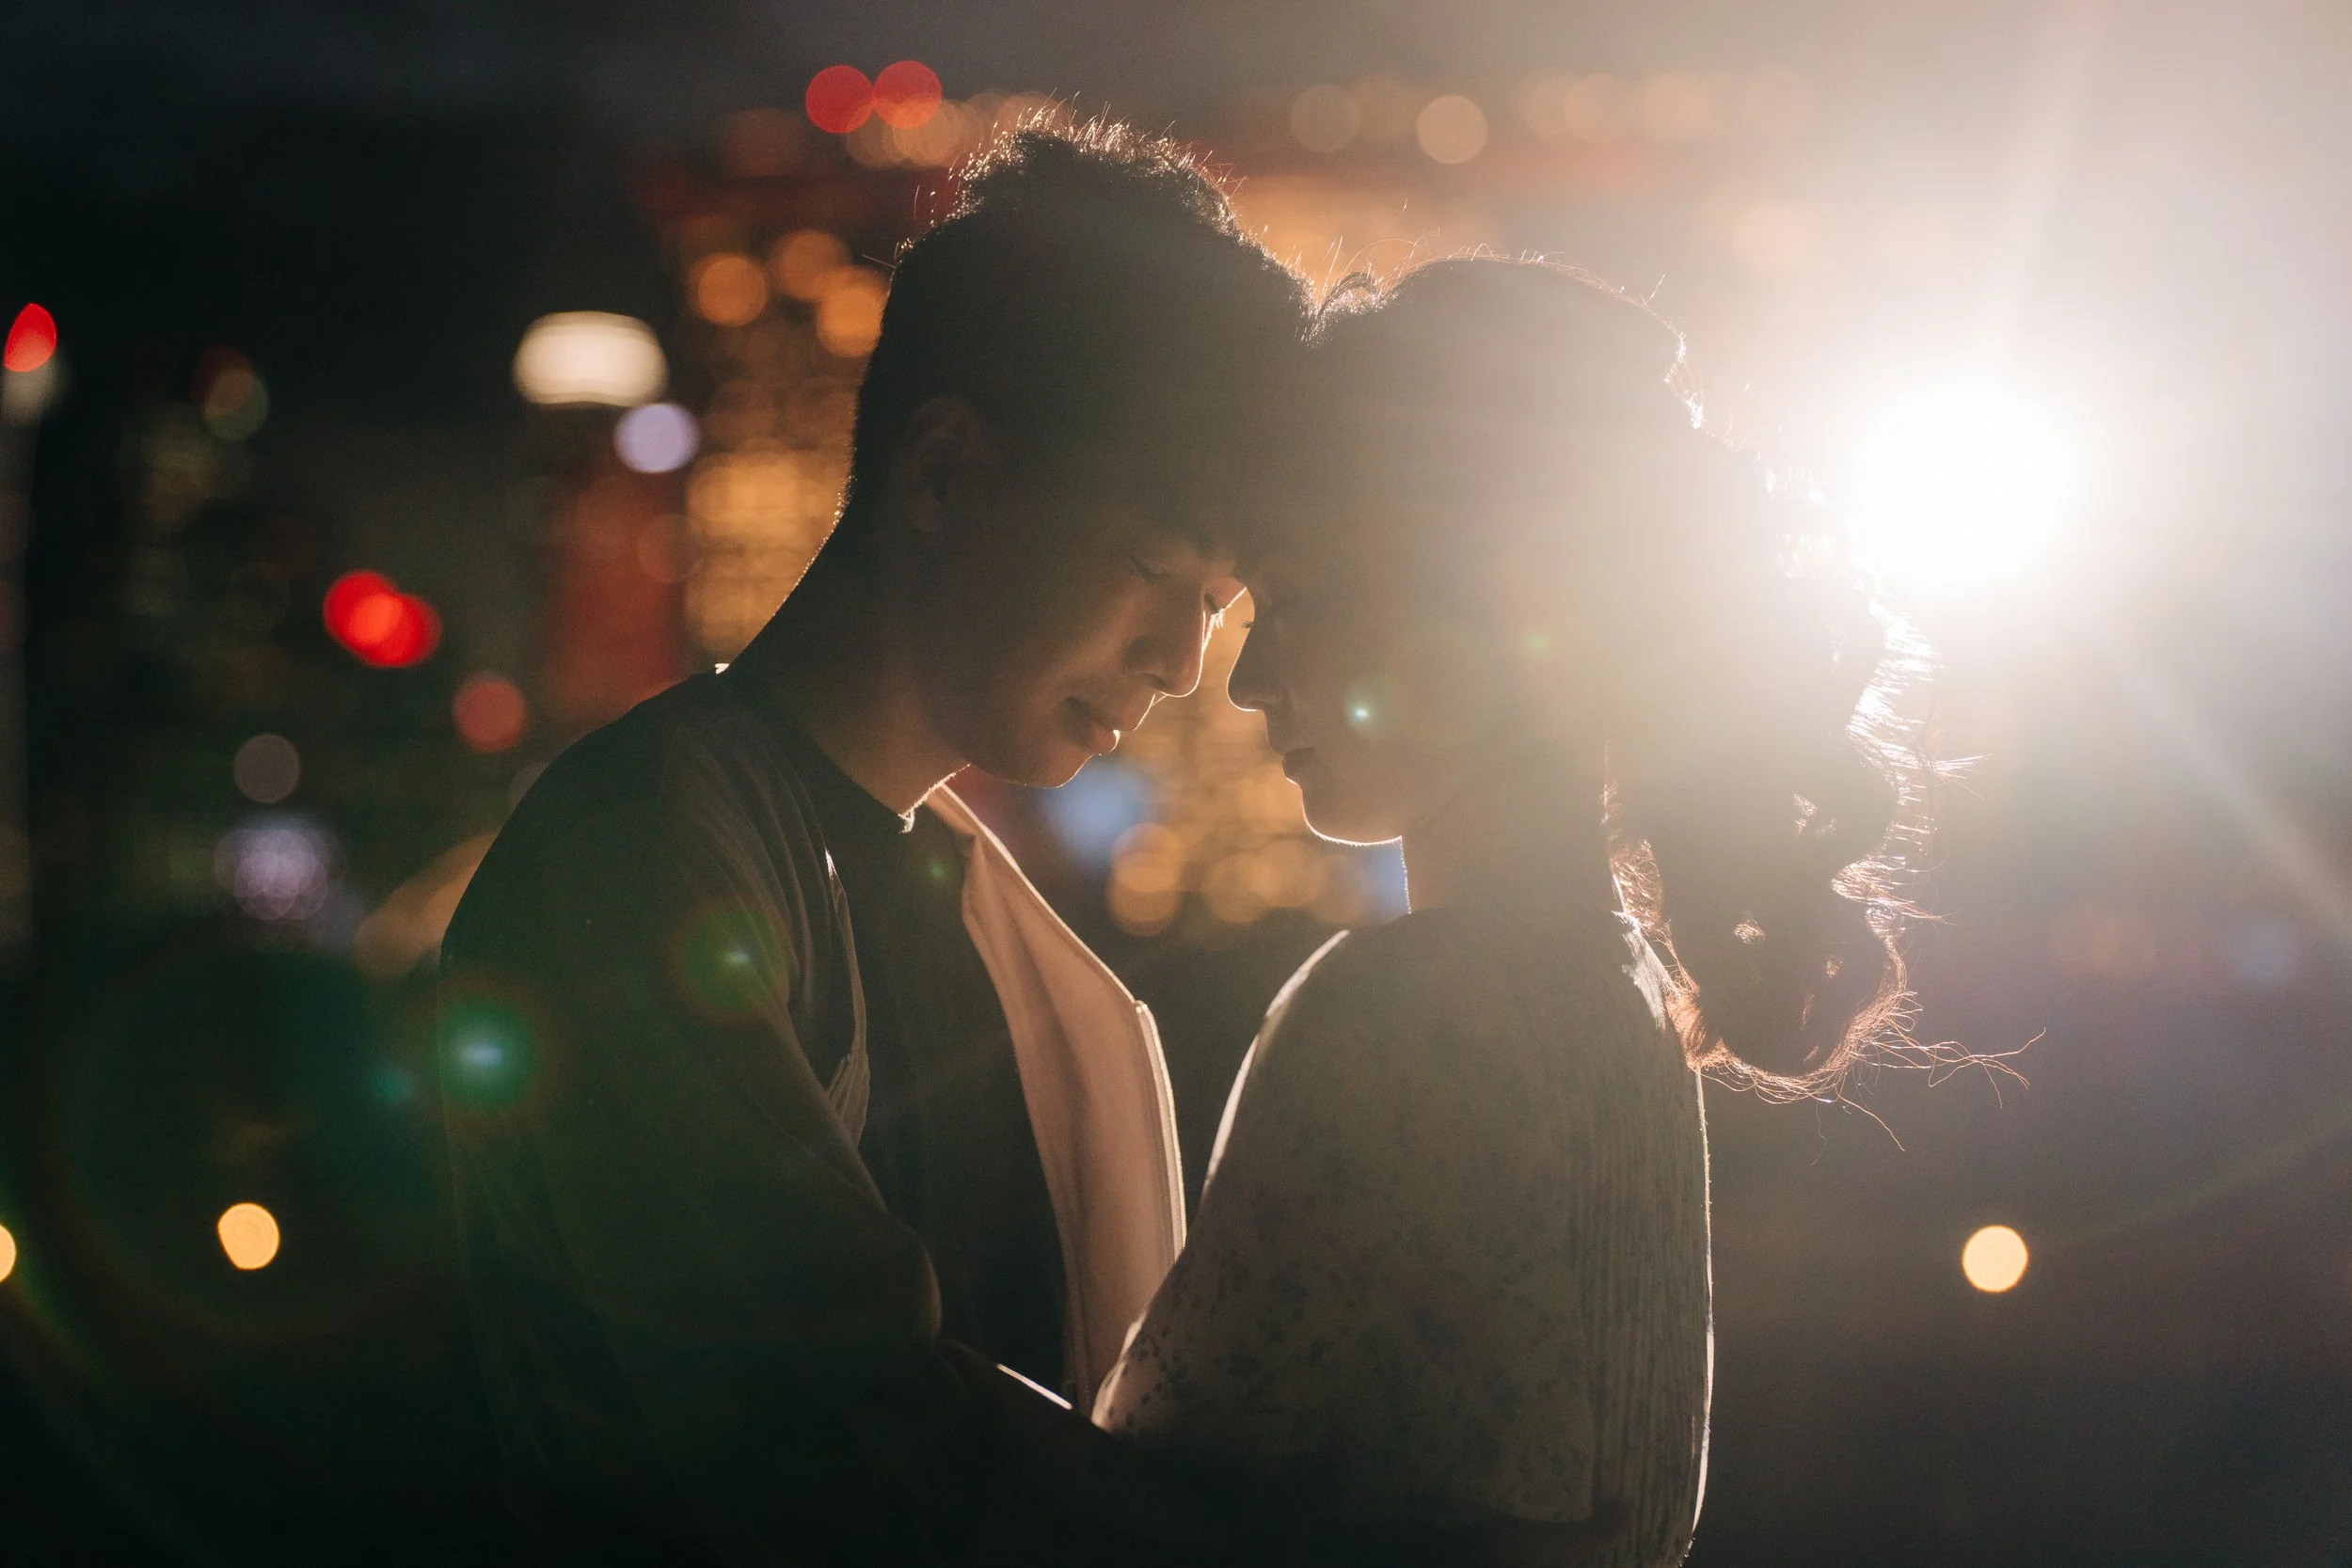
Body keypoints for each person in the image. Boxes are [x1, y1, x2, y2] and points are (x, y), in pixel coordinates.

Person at [437, 121, 1312, 1567]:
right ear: (945, 468)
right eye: (1155, 568)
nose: (1177, 661)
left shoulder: (996, 929)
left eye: (1215, 609)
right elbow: (834, 1427)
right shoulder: (638, 855)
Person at [1096, 258, 1929, 1568]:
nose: (1248, 680)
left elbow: (1133, 1513)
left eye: (1299, 600)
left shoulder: (1411, 1011)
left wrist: (914, 1385)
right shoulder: (1630, 1002)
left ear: (1500, 612)